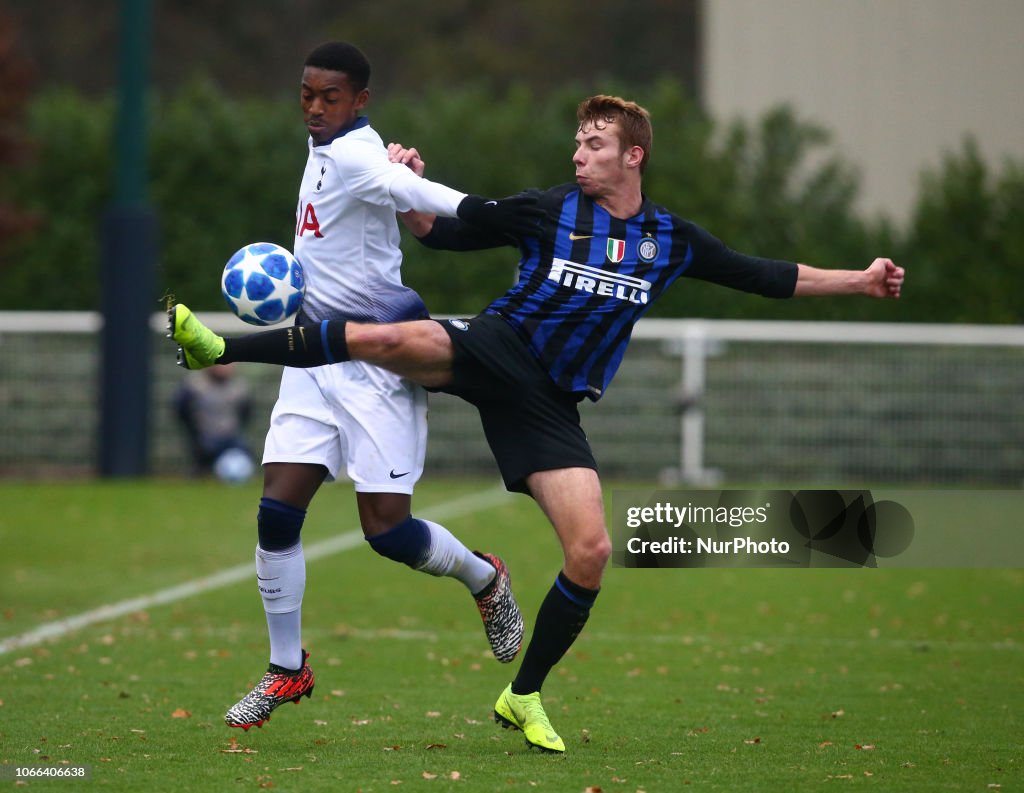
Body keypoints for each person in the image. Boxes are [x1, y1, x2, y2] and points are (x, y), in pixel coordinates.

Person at [169, 94, 905, 752]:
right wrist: (409, 190)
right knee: (385, 335)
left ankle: (522, 696)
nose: (578, 154)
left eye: (593, 144)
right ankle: (221, 345)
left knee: (591, 550)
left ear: (633, 155)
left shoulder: (669, 241)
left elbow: (765, 274)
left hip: (548, 403)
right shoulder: (550, 208)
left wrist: (861, 280)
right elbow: (450, 229)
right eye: (578, 143)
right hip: (493, 347)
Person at [202, 41, 546, 733]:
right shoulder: (326, 145)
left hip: (377, 365)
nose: (315, 107)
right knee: (276, 511)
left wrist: (495, 213)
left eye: (331, 97)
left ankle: (484, 576)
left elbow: (418, 197)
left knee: (387, 531)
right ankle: (285, 666)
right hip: (314, 356)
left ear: (360, 101)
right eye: (307, 94)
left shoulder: (358, 154)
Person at [174, 364, 255, 482]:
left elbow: (246, 413)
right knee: (205, 450)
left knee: (243, 449)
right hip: (206, 437)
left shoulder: (239, 388)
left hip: (231, 437)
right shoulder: (195, 386)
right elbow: (182, 411)